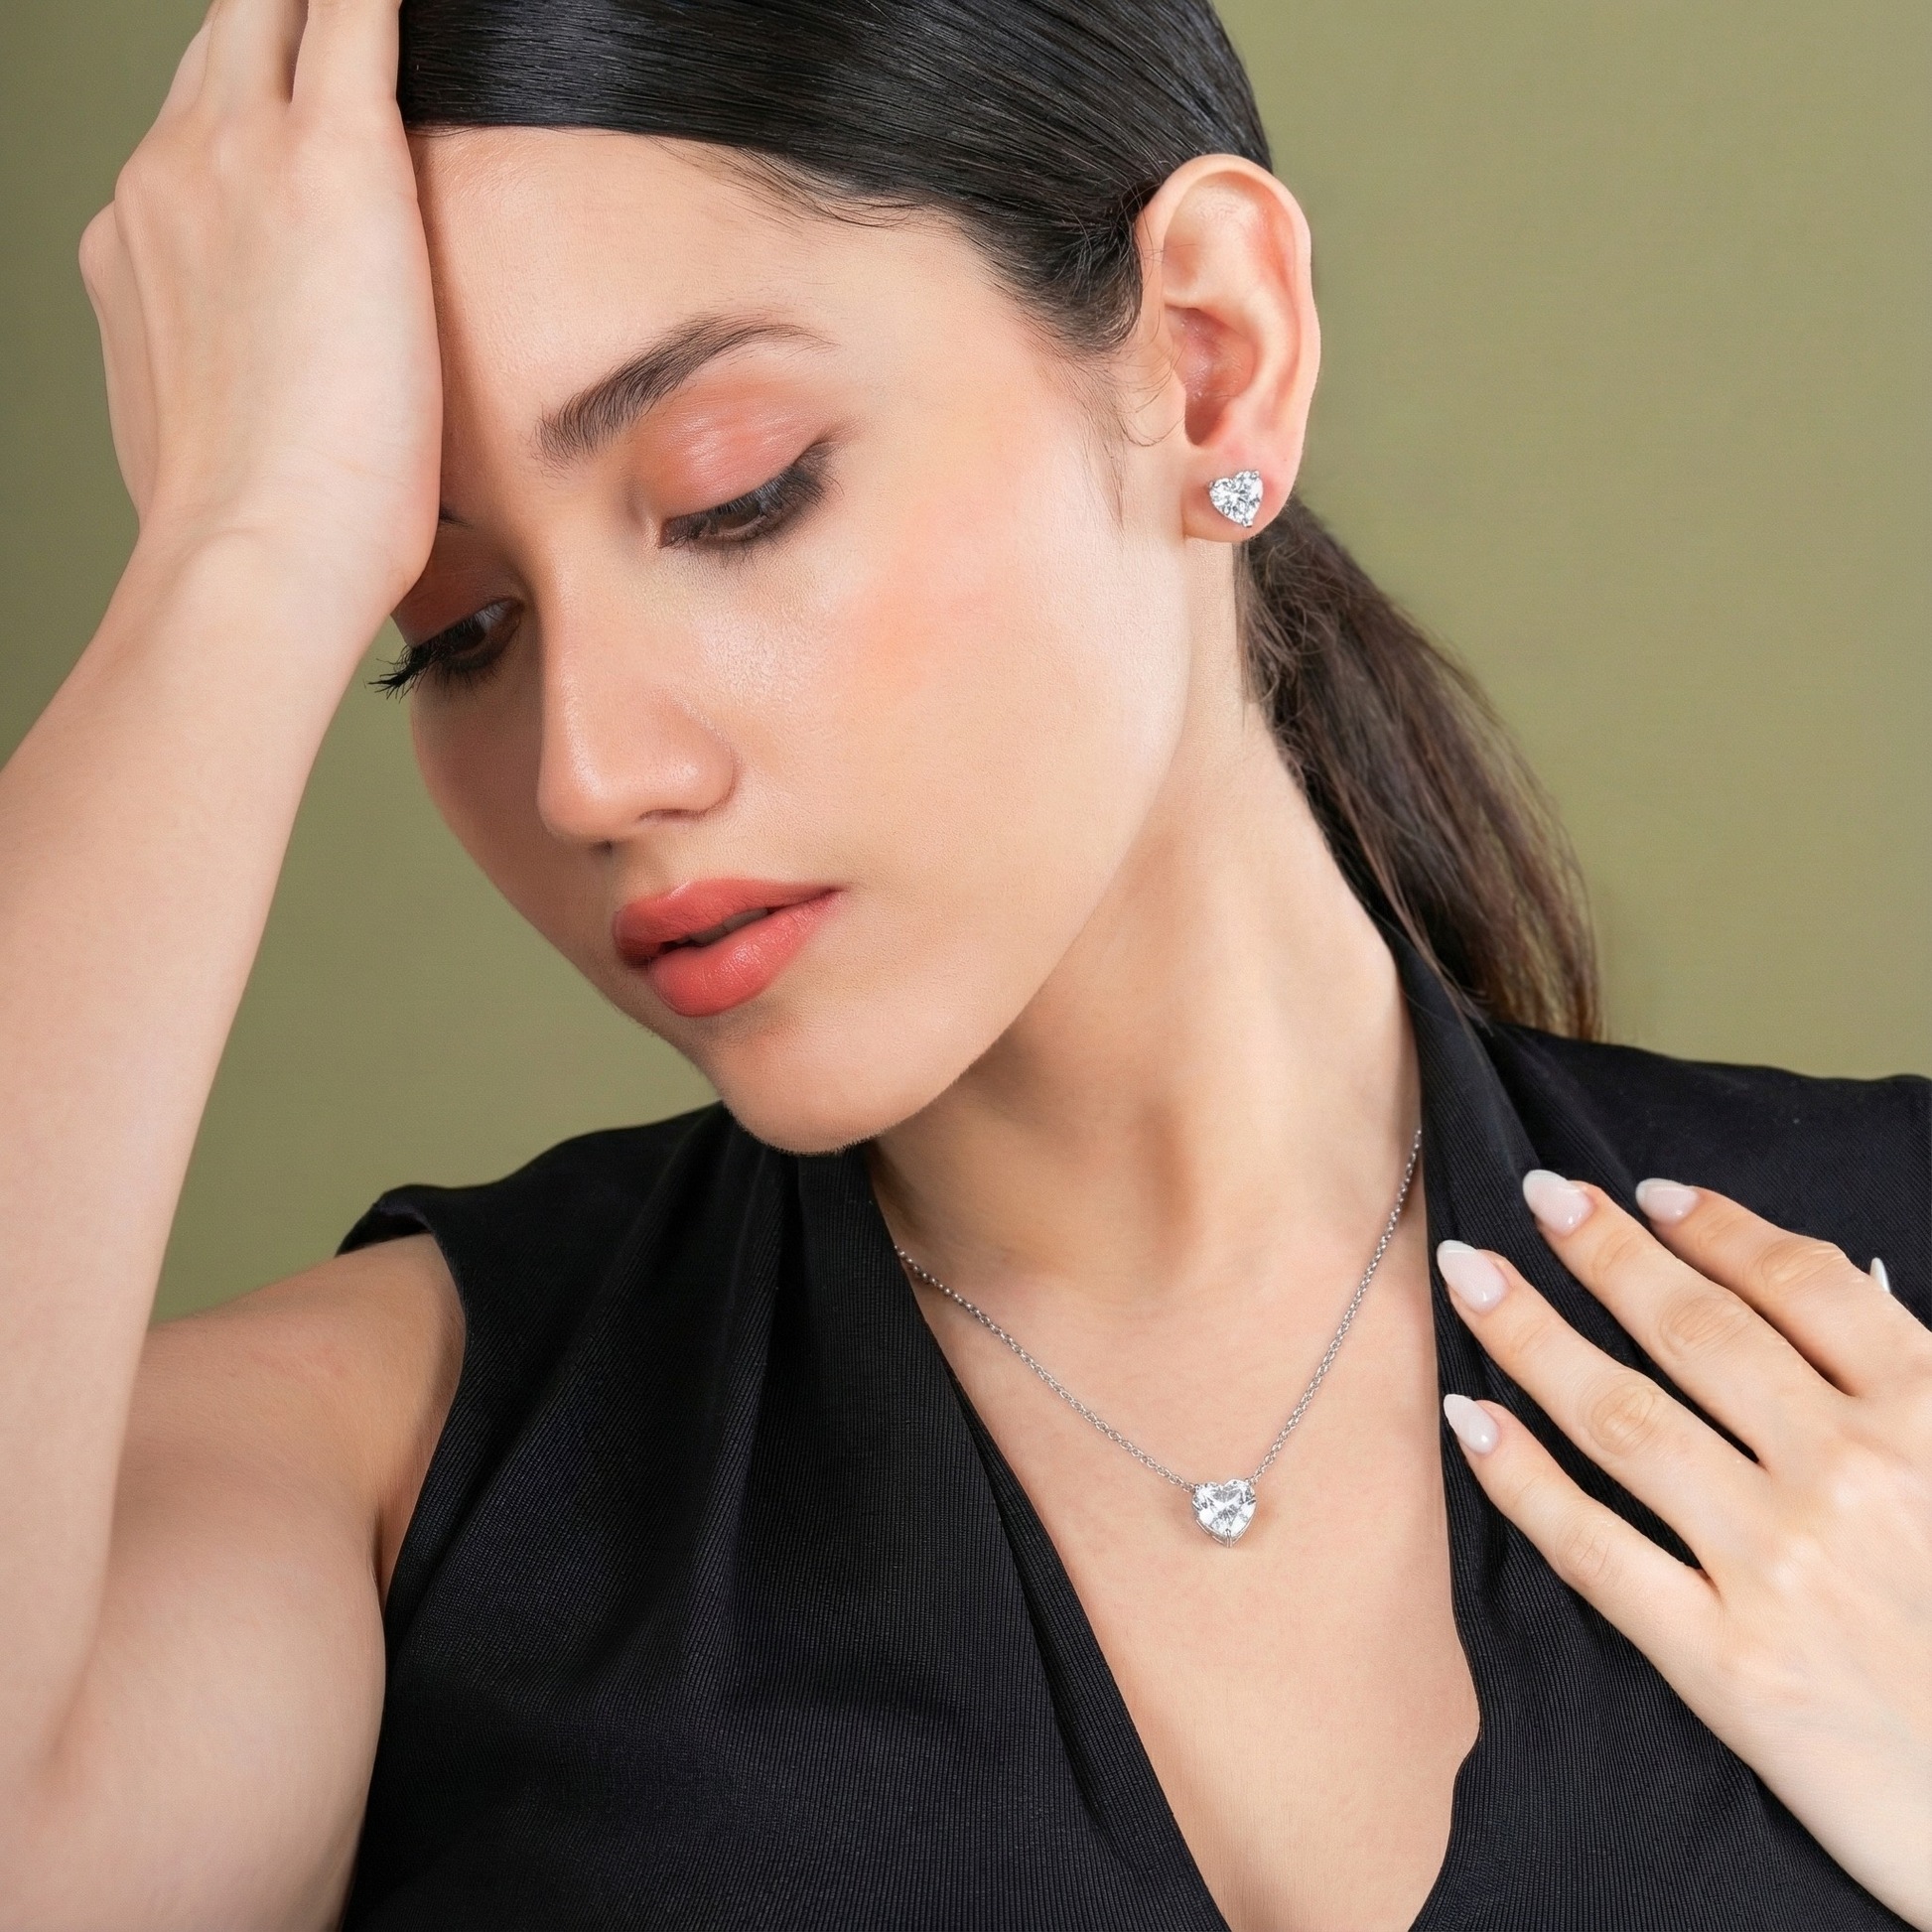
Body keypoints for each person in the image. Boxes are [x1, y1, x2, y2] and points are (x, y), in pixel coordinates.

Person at [0, 0, 1925, 1925]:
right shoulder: (383, 1478)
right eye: (457, 627)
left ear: (1208, 351)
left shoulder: (1888, 1291)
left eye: (734, 494)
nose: (593, 769)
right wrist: (234, 558)